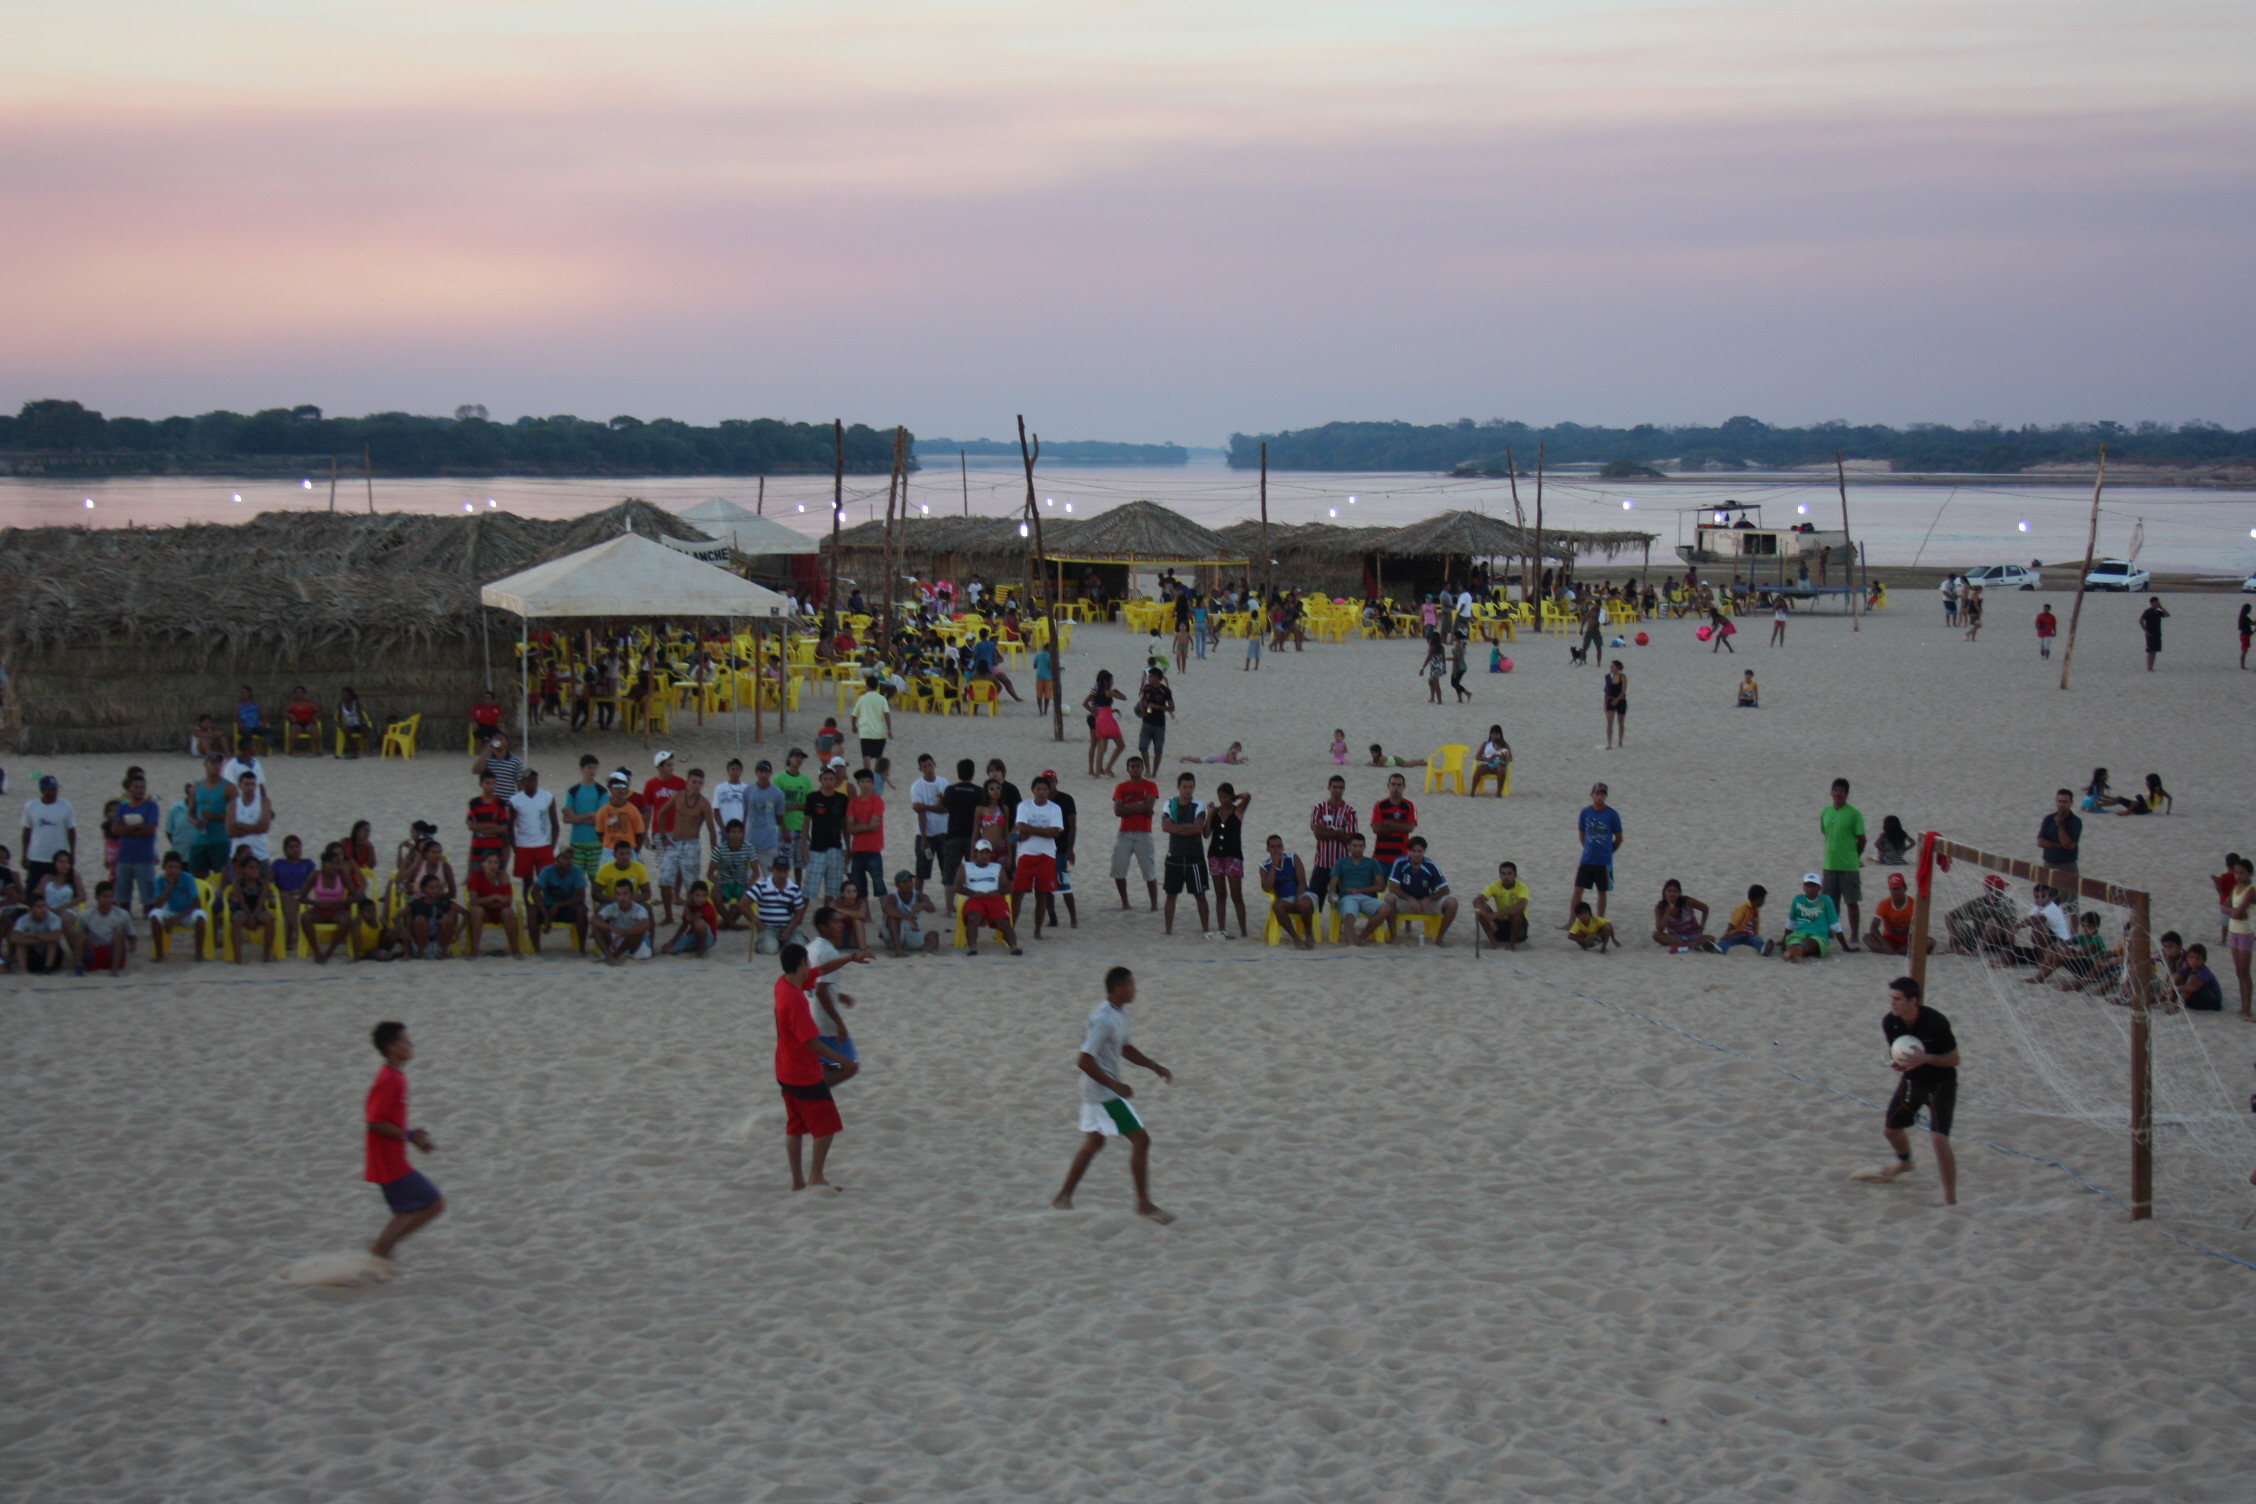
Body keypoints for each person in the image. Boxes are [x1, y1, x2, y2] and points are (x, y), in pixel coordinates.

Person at [1051, 965, 1174, 1223]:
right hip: (1102, 1092)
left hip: (1097, 1089)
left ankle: (1063, 1197)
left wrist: (1154, 1066)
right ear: (1118, 989)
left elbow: (1125, 1049)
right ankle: (1143, 1204)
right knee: (1142, 1141)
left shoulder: (1120, 1013)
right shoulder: (1103, 1019)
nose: (1135, 990)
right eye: (1131, 985)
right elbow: (1084, 1060)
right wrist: (1114, 1085)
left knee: (1094, 1143)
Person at [1865, 977, 1959, 1206]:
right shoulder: (1891, 1022)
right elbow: (1899, 1055)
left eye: (1898, 999)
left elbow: (1955, 1059)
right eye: (1891, 999)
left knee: (1938, 1139)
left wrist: (1926, 1058)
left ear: (1913, 1001)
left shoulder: (1935, 1021)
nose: (1893, 1004)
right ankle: (1905, 1162)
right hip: (1913, 1081)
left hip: (1941, 1083)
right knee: (1890, 1131)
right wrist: (1899, 1064)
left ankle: (1950, 1198)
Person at [773, 943, 858, 1193]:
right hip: (803, 1074)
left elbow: (822, 970)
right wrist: (841, 1060)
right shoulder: (795, 998)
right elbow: (810, 1041)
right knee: (827, 1126)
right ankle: (816, 1177)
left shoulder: (783, 983)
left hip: (784, 1069)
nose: (810, 966)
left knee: (795, 1126)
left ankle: (797, 1180)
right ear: (801, 964)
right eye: (806, 962)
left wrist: (852, 957)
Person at [365, 1022, 445, 1265]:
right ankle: (379, 1254)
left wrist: (412, 1137)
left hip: (389, 1158)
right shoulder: (390, 1080)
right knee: (434, 1203)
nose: (411, 1046)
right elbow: (374, 1121)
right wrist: (409, 1136)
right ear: (392, 1048)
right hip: (389, 1162)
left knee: (404, 1213)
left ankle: (380, 1256)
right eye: (406, 1042)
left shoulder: (395, 1076)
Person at [1010, 774, 1068, 938]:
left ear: (1049, 791)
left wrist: (1032, 831)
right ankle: (1010, 927)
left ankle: (1037, 930)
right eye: (1038, 789)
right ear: (1033, 790)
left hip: (1046, 855)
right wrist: (1042, 831)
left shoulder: (1054, 808)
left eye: (1044, 789)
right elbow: (1020, 826)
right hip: (1026, 854)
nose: (1041, 792)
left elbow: (1055, 832)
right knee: (1017, 894)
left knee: (1042, 894)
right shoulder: (1024, 806)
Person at [1158, 772, 1214, 938]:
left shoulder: (1199, 805)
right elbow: (1166, 827)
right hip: (1175, 855)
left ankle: (1205, 929)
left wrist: (1178, 827)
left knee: (1200, 895)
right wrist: (1187, 828)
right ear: (1178, 787)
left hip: (1194, 856)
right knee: (1171, 894)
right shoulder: (1169, 804)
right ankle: (1168, 929)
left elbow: (1197, 829)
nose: (1188, 790)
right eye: (1185, 787)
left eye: (1190, 787)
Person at [1818, 777, 1866, 950]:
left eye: (1841, 791)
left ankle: (1854, 934)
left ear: (1846, 794)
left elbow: (1862, 839)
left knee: (1851, 901)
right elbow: (1826, 833)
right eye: (1835, 790)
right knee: (1830, 902)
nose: (1838, 794)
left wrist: (1855, 856)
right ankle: (1831, 931)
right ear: (1831, 792)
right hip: (1830, 864)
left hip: (1849, 866)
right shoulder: (1826, 812)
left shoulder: (1854, 814)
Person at [953, 838, 1021, 955]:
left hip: (993, 897)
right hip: (975, 898)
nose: (984, 856)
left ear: (991, 854)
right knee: (973, 918)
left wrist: (998, 892)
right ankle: (972, 947)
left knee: (1003, 921)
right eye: (981, 852)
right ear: (976, 853)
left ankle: (1013, 946)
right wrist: (972, 893)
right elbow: (957, 886)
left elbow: (1007, 887)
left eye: (987, 853)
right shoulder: (966, 867)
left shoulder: (997, 868)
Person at [1110, 756, 1161, 912]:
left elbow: (1149, 806)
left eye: (1138, 766)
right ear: (1128, 769)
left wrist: (1128, 807)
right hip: (1125, 833)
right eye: (1132, 766)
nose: (1135, 769)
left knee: (1148, 870)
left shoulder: (1150, 785)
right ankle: (1125, 902)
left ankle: (1154, 904)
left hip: (1144, 833)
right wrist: (1140, 807)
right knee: (1118, 868)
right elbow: (1118, 811)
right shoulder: (1121, 787)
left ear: (1142, 768)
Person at [1385, 836, 1457, 945]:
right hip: (1405, 901)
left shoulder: (1431, 865)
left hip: (1426, 903)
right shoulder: (1400, 863)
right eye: (1414, 851)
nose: (1417, 854)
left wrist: (1428, 899)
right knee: (1389, 898)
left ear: (1424, 852)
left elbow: (1445, 890)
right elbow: (1393, 887)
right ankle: (1394, 937)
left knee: (1452, 903)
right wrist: (1410, 899)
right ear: (1409, 851)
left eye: (1420, 851)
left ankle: (1439, 938)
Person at [1567, 783, 1622, 925]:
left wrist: (1610, 852)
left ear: (1606, 796)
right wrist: (1587, 848)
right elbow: (1581, 834)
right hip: (1587, 860)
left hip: (1604, 862)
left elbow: (1619, 838)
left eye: (1603, 794)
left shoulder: (1612, 814)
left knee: (1602, 892)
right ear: (1592, 795)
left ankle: (1600, 921)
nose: (1600, 796)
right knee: (1578, 890)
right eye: (1597, 794)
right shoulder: (1585, 812)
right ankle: (1571, 921)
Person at [1204, 781, 1251, 939]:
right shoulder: (1215, 813)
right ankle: (1221, 928)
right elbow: (1206, 833)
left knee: (1236, 895)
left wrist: (1235, 797)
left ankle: (1243, 930)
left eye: (1225, 796)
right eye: (1220, 797)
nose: (1222, 799)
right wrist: (1210, 813)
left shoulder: (1237, 811)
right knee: (1220, 894)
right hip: (1216, 855)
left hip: (1233, 856)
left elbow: (1247, 796)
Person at [507, 767, 559, 903]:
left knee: (545, 881)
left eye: (534, 780)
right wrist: (514, 848)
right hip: (524, 845)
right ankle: (530, 910)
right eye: (529, 780)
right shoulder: (515, 800)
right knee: (527, 882)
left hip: (543, 845)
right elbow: (510, 826)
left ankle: (544, 909)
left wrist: (551, 846)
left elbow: (555, 824)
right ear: (523, 782)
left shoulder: (547, 797)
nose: (532, 783)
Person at [145, 851, 209, 962]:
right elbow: (158, 905)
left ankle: (199, 954)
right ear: (164, 867)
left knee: (200, 916)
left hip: (188, 913)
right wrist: (169, 886)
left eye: (177, 867)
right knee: (154, 915)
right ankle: (159, 955)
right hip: (172, 911)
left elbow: (197, 904)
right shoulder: (160, 881)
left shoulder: (187, 878)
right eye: (170, 867)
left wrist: (176, 919)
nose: (174, 870)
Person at [800, 764, 850, 902]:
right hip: (816, 848)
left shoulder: (842, 799)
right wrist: (804, 846)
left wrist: (848, 847)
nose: (828, 782)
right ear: (820, 780)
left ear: (835, 780)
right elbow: (806, 823)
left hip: (835, 847)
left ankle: (826, 917)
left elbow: (844, 825)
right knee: (809, 888)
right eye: (825, 779)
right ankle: (799, 918)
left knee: (833, 889)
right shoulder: (813, 797)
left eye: (831, 779)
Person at [1259, 833, 1316, 949]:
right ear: (1268, 849)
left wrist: (1297, 898)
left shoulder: (1293, 858)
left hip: (1303, 893)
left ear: (1283, 847)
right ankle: (1296, 938)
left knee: (1304, 904)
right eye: (1273, 847)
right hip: (1284, 898)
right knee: (1277, 907)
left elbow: (1302, 882)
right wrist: (1274, 865)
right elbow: (1267, 887)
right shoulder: (1265, 866)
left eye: (1279, 846)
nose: (1276, 849)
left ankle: (1309, 932)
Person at [462, 849, 523, 959]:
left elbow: (508, 901)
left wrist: (486, 901)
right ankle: (474, 950)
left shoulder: (503, 876)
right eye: (489, 862)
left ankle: (515, 950)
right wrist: (494, 897)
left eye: (496, 862)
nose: (493, 865)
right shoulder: (476, 875)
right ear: (483, 864)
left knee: (508, 912)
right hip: (485, 912)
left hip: (499, 911)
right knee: (477, 911)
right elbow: (473, 901)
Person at [20, 774, 77, 890]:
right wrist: (24, 854)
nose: (53, 792)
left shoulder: (66, 806)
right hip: (37, 855)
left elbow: (71, 830)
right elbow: (27, 831)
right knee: (33, 889)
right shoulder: (31, 806)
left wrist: (72, 853)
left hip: (57, 856)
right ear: (42, 790)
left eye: (54, 789)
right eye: (49, 789)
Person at [529, 846, 590, 954]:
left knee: (582, 910)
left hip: (567, 907)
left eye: (570, 858)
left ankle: (582, 948)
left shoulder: (576, 871)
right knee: (532, 910)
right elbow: (535, 893)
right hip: (548, 906)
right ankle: (536, 949)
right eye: (565, 858)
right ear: (556, 860)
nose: (569, 861)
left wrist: (558, 905)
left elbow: (581, 897)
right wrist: (546, 915)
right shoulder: (547, 871)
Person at [746, 853, 807, 957]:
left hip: (787, 927)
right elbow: (743, 904)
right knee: (769, 950)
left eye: (785, 871)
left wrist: (789, 930)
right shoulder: (762, 885)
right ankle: (764, 942)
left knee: (800, 947)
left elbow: (799, 912)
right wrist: (757, 922)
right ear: (773, 870)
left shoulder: (794, 888)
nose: (782, 874)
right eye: (779, 871)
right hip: (768, 928)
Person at [772, 748, 814, 883]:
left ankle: (797, 887)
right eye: (796, 757)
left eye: (801, 757)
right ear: (789, 758)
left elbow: (809, 805)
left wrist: (792, 807)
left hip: (801, 827)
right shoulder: (779, 779)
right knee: (784, 862)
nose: (799, 760)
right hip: (785, 826)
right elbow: (777, 806)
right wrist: (783, 828)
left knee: (800, 863)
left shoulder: (806, 780)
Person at [76, 880, 136, 974]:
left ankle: (114, 970)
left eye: (111, 897)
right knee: (81, 936)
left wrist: (132, 944)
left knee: (118, 934)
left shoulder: (122, 914)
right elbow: (80, 935)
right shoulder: (87, 915)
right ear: (97, 897)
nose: (109, 900)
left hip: (112, 952)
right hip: (94, 951)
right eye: (105, 897)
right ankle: (78, 968)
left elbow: (131, 934)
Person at [591, 878, 655, 963]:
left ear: (632, 895)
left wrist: (626, 932)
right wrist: (611, 928)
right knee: (597, 927)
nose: (622, 898)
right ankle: (610, 956)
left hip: (635, 945)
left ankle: (614, 957)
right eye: (619, 894)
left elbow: (645, 924)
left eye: (625, 894)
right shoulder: (612, 907)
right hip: (617, 939)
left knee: (638, 933)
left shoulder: (639, 909)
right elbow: (594, 919)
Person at [1780, 873, 1842, 962]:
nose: (1810, 889)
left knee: (1812, 943)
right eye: (1808, 885)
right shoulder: (1797, 900)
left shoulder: (1825, 900)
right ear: (1804, 887)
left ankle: (1796, 951)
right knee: (1794, 941)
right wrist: (1784, 940)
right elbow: (1790, 923)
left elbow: (1835, 925)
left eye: (1814, 886)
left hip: (1818, 935)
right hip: (1799, 933)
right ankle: (1797, 951)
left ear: (1819, 888)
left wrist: (1845, 946)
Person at [2036, 787, 2082, 900]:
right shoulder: (2048, 819)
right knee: (2046, 899)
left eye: (2065, 802)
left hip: (2067, 865)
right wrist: (2060, 846)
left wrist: (2060, 824)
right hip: (2049, 863)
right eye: (2059, 801)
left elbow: (2068, 843)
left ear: (2071, 803)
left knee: (2069, 901)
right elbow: (2040, 842)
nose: (2061, 804)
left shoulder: (2075, 821)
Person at [1473, 860, 1530, 950]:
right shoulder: (1495, 886)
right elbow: (1476, 901)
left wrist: (1496, 914)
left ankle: (1511, 944)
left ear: (1515, 875)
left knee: (1516, 912)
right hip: (1500, 925)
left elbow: (1521, 906)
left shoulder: (1522, 887)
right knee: (1480, 910)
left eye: (1509, 874)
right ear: (1500, 875)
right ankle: (1493, 942)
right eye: (1503, 874)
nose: (1506, 877)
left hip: (1518, 928)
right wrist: (1488, 918)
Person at [1866, 873, 1928, 955]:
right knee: (1867, 938)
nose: (1895, 892)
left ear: (1904, 888)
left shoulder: (1914, 903)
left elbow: (1921, 927)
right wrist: (1884, 942)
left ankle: (1895, 951)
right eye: (1893, 889)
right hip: (1890, 938)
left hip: (1908, 939)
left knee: (1930, 942)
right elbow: (1873, 927)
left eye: (1898, 889)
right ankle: (1893, 951)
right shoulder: (1884, 903)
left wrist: (1913, 941)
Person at [883, 870, 941, 956]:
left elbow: (932, 908)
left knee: (933, 934)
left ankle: (925, 953)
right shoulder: (892, 897)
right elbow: (886, 908)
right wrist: (907, 917)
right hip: (896, 935)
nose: (909, 884)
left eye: (910, 881)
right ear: (897, 885)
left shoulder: (919, 895)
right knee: (893, 918)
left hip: (913, 933)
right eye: (905, 882)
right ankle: (898, 951)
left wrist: (923, 905)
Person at [2223, 855, 2253, 1020]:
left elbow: (2239, 912)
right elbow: (2225, 908)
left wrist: (2233, 912)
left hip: (2246, 933)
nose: (2238, 876)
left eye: (2242, 873)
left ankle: (2247, 1010)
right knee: (2238, 972)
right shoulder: (2235, 888)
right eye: (2237, 872)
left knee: (2245, 972)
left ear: (2249, 874)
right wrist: (2233, 912)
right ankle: (2243, 1008)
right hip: (2234, 933)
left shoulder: (2251, 890)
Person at [1650, 878, 1712, 952]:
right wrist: (1668, 912)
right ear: (1664, 892)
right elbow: (1660, 929)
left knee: (1711, 938)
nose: (1672, 894)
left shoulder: (1687, 902)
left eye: (1675, 891)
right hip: (1675, 937)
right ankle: (1689, 945)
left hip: (1693, 934)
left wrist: (1701, 927)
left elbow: (1705, 909)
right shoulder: (1660, 907)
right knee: (1656, 935)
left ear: (1679, 894)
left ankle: (1689, 944)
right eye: (1669, 891)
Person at [1085, 671, 1127, 777]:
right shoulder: (1108, 692)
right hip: (1107, 719)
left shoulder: (1097, 691)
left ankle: (1097, 773)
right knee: (1120, 745)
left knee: (1101, 748)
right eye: (1111, 680)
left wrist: (1094, 712)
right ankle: (1107, 768)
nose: (1112, 682)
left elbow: (1102, 707)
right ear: (1106, 681)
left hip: (1100, 718)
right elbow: (1124, 698)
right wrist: (1117, 691)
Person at [1134, 670, 1175, 765]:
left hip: (1160, 724)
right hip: (1147, 722)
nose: (1149, 679)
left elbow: (1172, 708)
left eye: (1151, 677)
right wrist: (1143, 710)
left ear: (1157, 678)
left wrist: (1158, 707)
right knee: (1142, 747)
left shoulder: (1165, 691)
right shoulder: (1146, 688)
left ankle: (1154, 772)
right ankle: (1147, 768)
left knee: (1158, 750)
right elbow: (1142, 700)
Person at [2169, 941, 2224, 1012]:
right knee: (2178, 976)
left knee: (2192, 979)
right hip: (2195, 999)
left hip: (2212, 1002)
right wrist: (2169, 986)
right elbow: (2175, 976)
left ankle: (2176, 1006)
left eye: (2198, 958)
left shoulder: (2204, 972)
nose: (2194, 961)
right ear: (2187, 958)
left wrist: (2175, 988)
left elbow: (2193, 988)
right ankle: (2167, 999)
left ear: (2204, 960)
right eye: (2191, 957)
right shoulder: (2188, 968)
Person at [594, 840, 653, 906]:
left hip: (634, 902)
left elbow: (647, 893)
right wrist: (613, 899)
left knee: (647, 907)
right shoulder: (604, 869)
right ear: (614, 855)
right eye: (621, 854)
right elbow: (596, 893)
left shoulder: (639, 867)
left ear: (631, 854)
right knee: (599, 909)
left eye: (627, 853)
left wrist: (631, 900)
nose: (624, 857)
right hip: (611, 902)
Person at [851, 679, 892, 772]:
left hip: (866, 732)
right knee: (879, 756)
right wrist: (889, 730)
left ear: (867, 686)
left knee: (866, 756)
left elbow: (854, 715)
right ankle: (877, 775)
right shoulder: (882, 699)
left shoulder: (862, 698)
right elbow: (887, 715)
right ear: (877, 686)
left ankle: (867, 774)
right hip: (879, 733)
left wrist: (853, 726)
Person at [1716, 884, 1768, 954]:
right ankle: (1719, 948)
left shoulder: (1756, 910)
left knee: (1757, 940)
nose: (1764, 901)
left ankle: (1763, 949)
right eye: (1763, 899)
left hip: (1750, 936)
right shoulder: (1743, 907)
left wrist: (1756, 934)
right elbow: (1733, 922)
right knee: (1728, 940)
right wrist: (1727, 933)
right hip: (1738, 933)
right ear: (1759, 899)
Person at [1471, 727, 1511, 797]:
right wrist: (1486, 759)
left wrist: (1506, 758)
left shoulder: (1505, 745)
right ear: (1490, 734)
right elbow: (1477, 756)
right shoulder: (1486, 744)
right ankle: (1472, 792)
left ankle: (1498, 793)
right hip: (1489, 765)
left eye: (1497, 734)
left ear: (1500, 735)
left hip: (1499, 766)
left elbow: (1510, 758)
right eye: (1493, 734)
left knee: (1501, 770)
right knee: (1479, 769)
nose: (1495, 736)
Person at [2138, 595, 2169, 671]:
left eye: (2158, 602)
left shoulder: (2158, 612)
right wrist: (2145, 630)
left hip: (2157, 633)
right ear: (2152, 603)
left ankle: (2151, 667)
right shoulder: (2148, 611)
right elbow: (2141, 620)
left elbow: (2167, 615)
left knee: (2155, 651)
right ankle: (2149, 667)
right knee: (2151, 651)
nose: (2157, 604)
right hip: (2150, 633)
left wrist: (2161, 607)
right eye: (2156, 602)